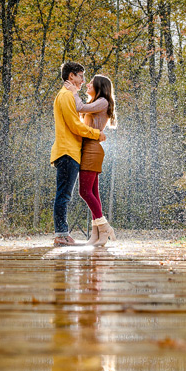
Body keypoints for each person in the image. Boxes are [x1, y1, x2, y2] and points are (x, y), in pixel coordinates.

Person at [50, 61, 105, 246]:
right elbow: (75, 126)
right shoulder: (65, 96)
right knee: (63, 195)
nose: (83, 80)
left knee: (64, 194)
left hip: (70, 151)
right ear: (71, 76)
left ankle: (63, 233)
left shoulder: (68, 96)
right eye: (80, 76)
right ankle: (61, 234)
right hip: (67, 152)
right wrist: (96, 134)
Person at [67, 74, 116, 246]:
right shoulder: (97, 102)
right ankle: (96, 235)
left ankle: (105, 227)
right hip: (88, 148)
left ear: (99, 86)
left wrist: (73, 91)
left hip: (92, 149)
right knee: (93, 192)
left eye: (91, 83)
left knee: (85, 192)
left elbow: (79, 108)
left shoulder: (102, 101)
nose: (87, 84)